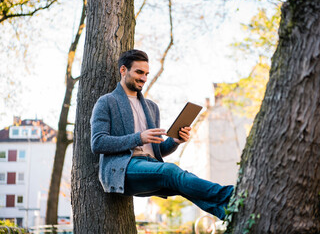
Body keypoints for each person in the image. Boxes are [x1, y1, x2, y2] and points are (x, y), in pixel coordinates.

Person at [90, 49, 234, 220]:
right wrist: (138, 137)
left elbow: (157, 150)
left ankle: (229, 214)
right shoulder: (106, 102)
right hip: (122, 170)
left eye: (146, 73)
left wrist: (175, 141)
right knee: (171, 171)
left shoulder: (151, 107)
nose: (143, 78)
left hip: (150, 165)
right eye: (139, 72)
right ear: (123, 70)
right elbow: (98, 143)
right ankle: (231, 195)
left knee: (186, 183)